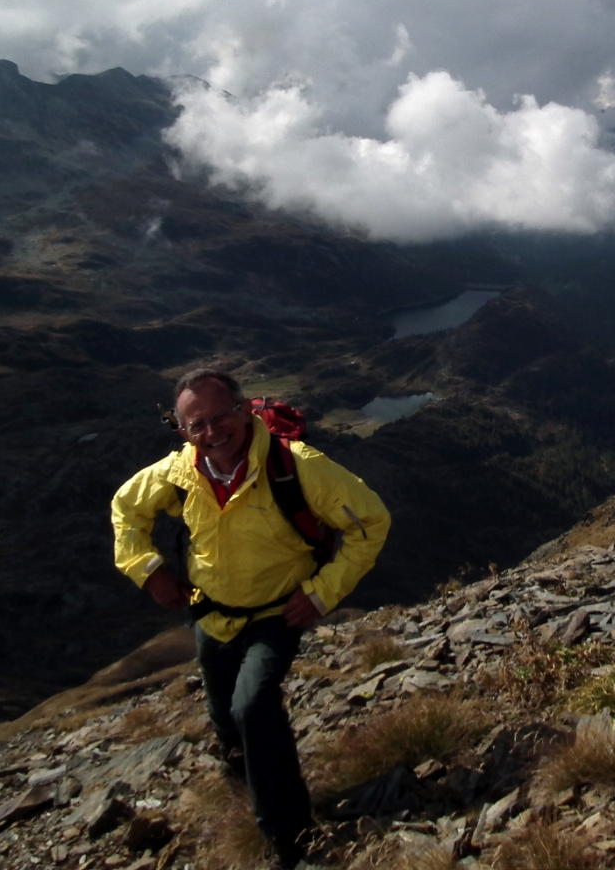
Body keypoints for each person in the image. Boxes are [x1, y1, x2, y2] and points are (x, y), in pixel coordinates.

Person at [111, 369, 390, 868]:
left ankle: (288, 836)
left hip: (276, 614)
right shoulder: (179, 474)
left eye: (222, 417)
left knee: (252, 706)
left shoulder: (295, 466)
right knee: (226, 723)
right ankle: (245, 795)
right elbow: (125, 509)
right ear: (182, 431)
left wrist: (323, 594)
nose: (212, 432)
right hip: (210, 615)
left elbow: (371, 520)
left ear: (245, 410)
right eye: (197, 425)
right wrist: (148, 571)